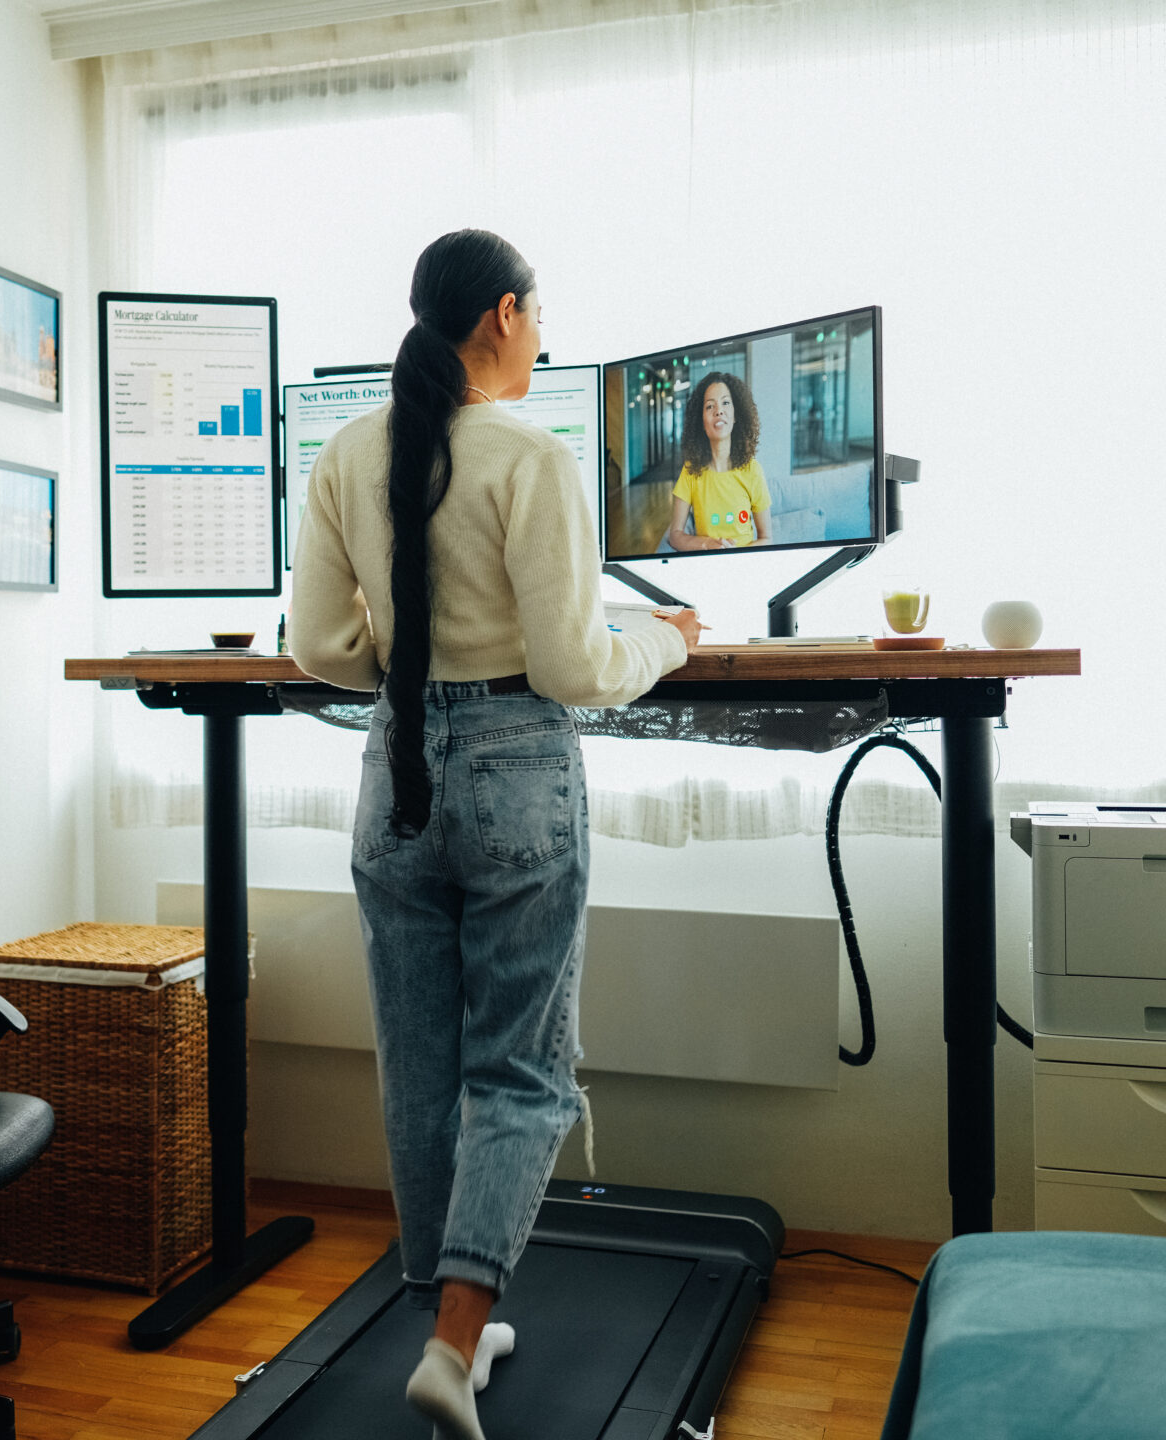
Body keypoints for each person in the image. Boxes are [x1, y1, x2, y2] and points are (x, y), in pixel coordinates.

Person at [290, 230, 703, 1440]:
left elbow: (320, 647)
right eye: (540, 315)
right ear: (506, 318)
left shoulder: (345, 450)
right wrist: (669, 637)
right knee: (518, 1070)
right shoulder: (529, 452)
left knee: (419, 1068)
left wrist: (409, 664)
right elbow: (578, 664)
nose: (544, 334)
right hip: (519, 771)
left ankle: (443, 1325)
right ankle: (457, 1338)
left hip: (395, 772)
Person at [661, 371, 770, 550]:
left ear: (735, 416)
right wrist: (706, 544)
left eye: (726, 403)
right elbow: (675, 535)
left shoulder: (753, 470)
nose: (719, 410)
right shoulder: (690, 470)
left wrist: (737, 554)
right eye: (710, 406)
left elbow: (766, 538)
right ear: (701, 422)